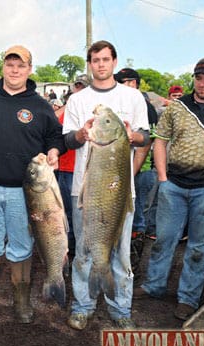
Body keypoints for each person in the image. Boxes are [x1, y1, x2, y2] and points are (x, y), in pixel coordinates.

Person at [0, 45, 65, 324]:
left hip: (28, 191)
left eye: (21, 65)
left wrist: (54, 151)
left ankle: (22, 298)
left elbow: (56, 138)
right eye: (10, 65)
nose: (15, 70)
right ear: (3, 68)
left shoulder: (41, 106)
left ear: (29, 69)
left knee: (21, 244)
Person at [63, 40, 149, 330]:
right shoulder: (77, 99)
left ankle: (121, 308)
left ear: (114, 62)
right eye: (95, 60)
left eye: (105, 59)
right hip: (84, 191)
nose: (100, 64)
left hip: (121, 191)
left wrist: (130, 136)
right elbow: (67, 140)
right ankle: (82, 305)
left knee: (121, 254)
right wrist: (81, 135)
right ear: (89, 64)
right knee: (85, 252)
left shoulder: (133, 97)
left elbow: (145, 137)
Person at [133, 56, 204, 321]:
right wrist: (163, 176)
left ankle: (188, 298)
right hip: (174, 186)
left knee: (198, 248)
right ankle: (154, 286)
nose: (201, 84)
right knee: (164, 240)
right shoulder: (178, 107)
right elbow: (160, 140)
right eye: (198, 78)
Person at [114, 68, 158, 277]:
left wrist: (130, 175)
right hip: (125, 171)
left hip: (142, 170)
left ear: (134, 83)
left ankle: (133, 265)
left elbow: (144, 146)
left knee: (137, 215)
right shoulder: (124, 104)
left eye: (125, 82)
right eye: (119, 82)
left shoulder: (144, 106)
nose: (121, 86)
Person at [56, 76, 90, 260]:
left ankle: (80, 250)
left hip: (81, 171)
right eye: (76, 87)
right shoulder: (66, 111)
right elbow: (54, 123)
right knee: (67, 214)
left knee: (82, 214)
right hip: (65, 168)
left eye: (82, 87)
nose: (78, 90)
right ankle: (69, 250)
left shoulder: (90, 110)